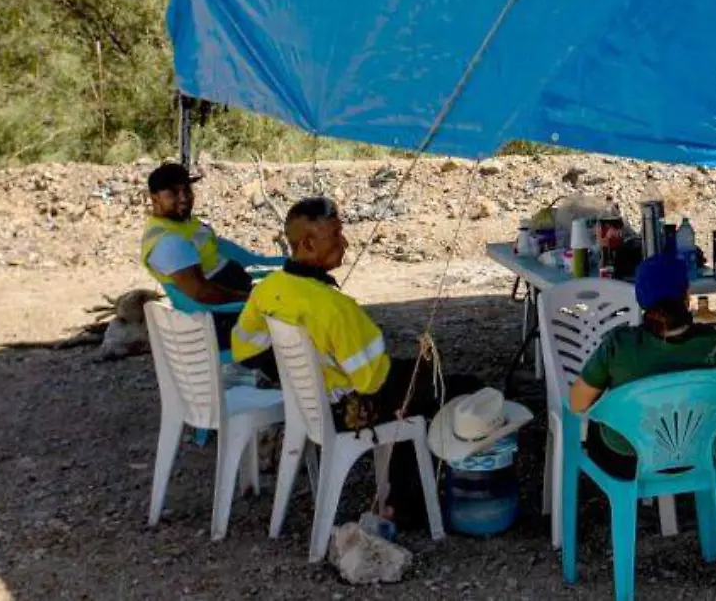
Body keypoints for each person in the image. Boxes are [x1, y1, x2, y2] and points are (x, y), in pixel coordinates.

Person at [232, 197, 474, 526]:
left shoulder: (269, 290)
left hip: (309, 404)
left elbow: (244, 350)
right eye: (335, 235)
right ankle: (411, 504)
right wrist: (425, 370)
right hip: (343, 409)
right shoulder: (335, 308)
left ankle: (400, 500)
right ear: (307, 243)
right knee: (448, 389)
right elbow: (372, 382)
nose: (344, 243)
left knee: (415, 383)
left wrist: (296, 373)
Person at [568, 254, 716, 478]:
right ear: (687, 296)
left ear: (641, 300)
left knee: (597, 429)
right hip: (699, 456)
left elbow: (577, 402)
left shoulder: (620, 345)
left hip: (627, 462)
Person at [140, 162, 279, 347]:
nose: (183, 198)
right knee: (291, 319)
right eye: (173, 193)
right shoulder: (168, 242)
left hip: (235, 295)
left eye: (187, 190)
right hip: (223, 318)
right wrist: (249, 299)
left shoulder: (182, 224)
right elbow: (202, 293)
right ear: (154, 198)